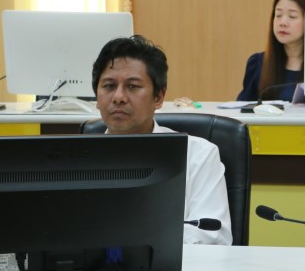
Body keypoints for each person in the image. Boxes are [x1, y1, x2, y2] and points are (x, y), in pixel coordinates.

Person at [92, 35, 232, 245]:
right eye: (109, 86)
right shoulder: (75, 158)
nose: (118, 97)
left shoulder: (198, 155)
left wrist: (134, 241)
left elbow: (214, 236)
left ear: (158, 98)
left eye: (133, 86)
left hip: (175, 266)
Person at [237, 0, 305, 102]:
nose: (283, 22)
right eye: (278, 15)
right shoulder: (257, 63)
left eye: (292, 16)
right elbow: (242, 108)